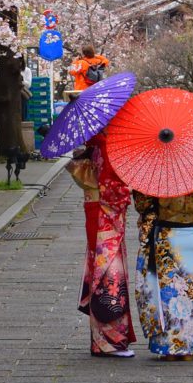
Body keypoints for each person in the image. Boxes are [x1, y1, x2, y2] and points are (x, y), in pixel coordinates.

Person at [131, 176, 193, 360]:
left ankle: (169, 347)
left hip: (167, 233)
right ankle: (188, 347)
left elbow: (142, 204)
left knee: (170, 292)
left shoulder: (158, 171)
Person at [68, 135, 137, 357]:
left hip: (95, 211)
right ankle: (108, 341)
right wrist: (130, 189)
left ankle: (103, 340)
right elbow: (113, 188)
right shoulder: (107, 144)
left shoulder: (94, 142)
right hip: (105, 213)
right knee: (109, 274)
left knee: (101, 269)